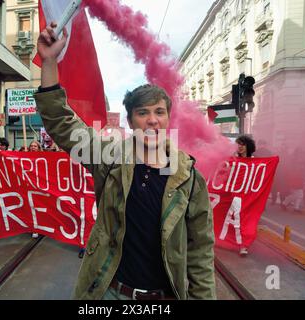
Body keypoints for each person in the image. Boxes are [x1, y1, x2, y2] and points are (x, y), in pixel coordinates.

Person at [33, 22, 215, 300]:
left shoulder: (188, 177)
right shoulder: (109, 158)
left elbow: (201, 251)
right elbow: (62, 124)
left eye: (159, 112)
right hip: (111, 293)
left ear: (168, 118)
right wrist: (48, 62)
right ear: (130, 121)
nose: (152, 119)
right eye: (143, 112)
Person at [234, 135, 256, 257]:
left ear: (248, 146)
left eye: (243, 144)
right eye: (238, 144)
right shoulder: (233, 159)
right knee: (237, 219)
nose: (240, 147)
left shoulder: (254, 161)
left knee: (246, 220)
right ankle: (240, 244)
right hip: (234, 194)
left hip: (248, 195)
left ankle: (244, 244)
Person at [28, 140, 42, 239]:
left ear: (38, 148)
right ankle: (34, 228)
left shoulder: (43, 158)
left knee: (39, 208)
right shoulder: (24, 157)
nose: (33, 147)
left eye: (35, 146)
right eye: (31, 146)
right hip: (28, 186)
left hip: (40, 187)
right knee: (31, 208)